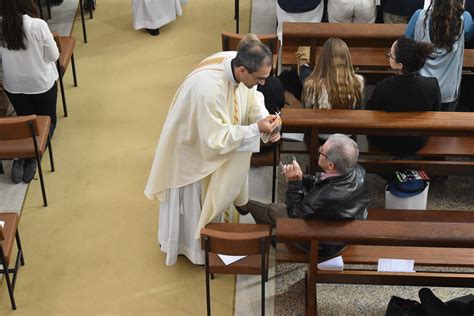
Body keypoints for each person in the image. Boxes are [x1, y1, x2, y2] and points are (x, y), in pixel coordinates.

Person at [145, 41, 281, 266]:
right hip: (192, 149)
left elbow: (252, 97)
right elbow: (215, 140)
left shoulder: (238, 62)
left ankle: (213, 237)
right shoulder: (209, 91)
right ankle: (192, 249)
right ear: (242, 70)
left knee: (214, 193)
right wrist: (257, 129)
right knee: (194, 201)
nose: (263, 82)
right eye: (259, 78)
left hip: (211, 139)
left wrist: (264, 119)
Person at [236, 134, 369, 257]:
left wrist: (294, 184)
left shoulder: (323, 197)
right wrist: (301, 178)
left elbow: (295, 215)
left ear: (330, 164)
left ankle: (245, 206)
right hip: (341, 226)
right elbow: (323, 181)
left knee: (272, 210)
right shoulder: (357, 171)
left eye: (322, 150)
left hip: (323, 245)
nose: (319, 149)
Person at [0, 0, 59, 184]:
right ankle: (34, 156)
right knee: (48, 121)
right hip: (40, 83)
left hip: (14, 86)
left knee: (25, 118)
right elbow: (54, 56)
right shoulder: (37, 25)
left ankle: (20, 158)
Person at [367, 37, 441, 157]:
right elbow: (436, 112)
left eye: (390, 55)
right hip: (418, 141)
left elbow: (371, 112)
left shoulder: (383, 87)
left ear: (400, 65)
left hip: (387, 142)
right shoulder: (432, 85)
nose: (388, 55)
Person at [405, 0, 473, 111]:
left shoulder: (418, 17)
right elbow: (468, 36)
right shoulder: (465, 19)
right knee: (445, 124)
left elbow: (407, 42)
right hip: (448, 90)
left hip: (421, 86)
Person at [298, 38, 364, 110]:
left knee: (305, 75)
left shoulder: (310, 85)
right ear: (346, 58)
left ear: (323, 59)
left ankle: (303, 62)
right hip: (349, 120)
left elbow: (308, 109)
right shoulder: (359, 82)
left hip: (318, 120)